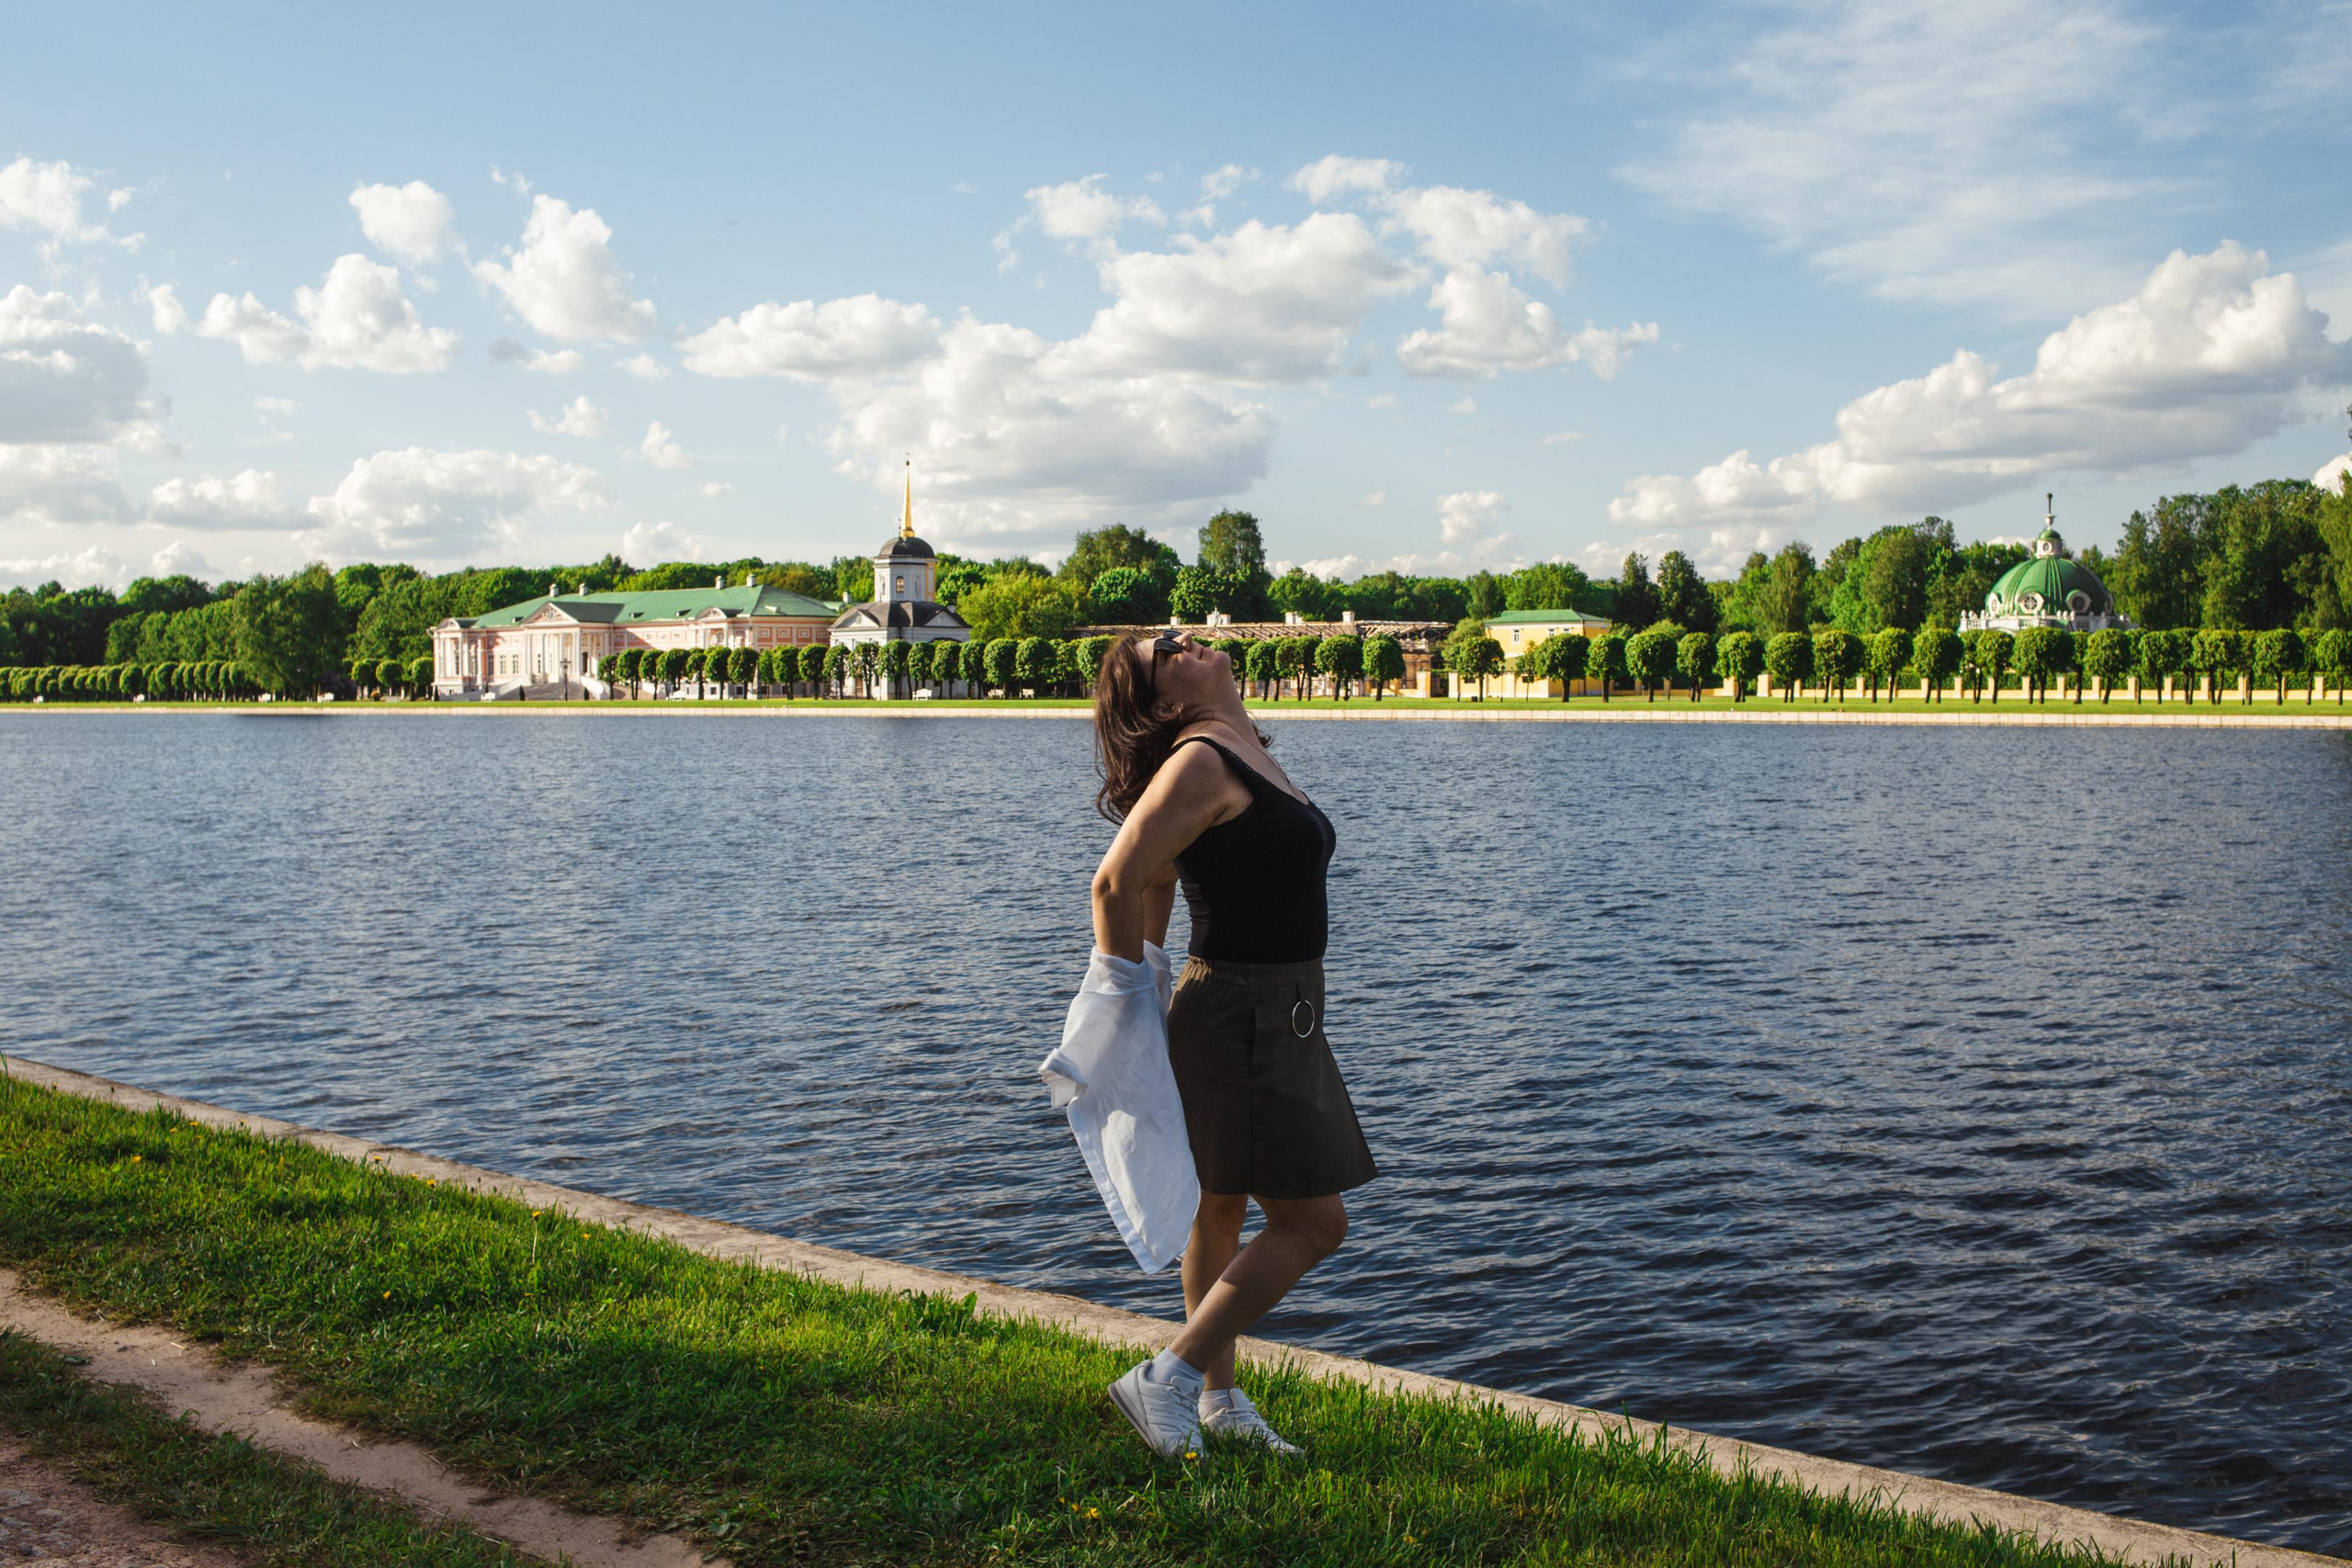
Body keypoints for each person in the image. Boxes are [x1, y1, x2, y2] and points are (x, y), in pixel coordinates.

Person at [1088, 630, 1378, 1457]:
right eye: (1166, 649)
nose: (1187, 637)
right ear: (1167, 701)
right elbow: (1117, 878)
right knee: (1316, 1224)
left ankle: (1219, 1401)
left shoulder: (1237, 749)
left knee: (1219, 1209)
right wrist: (1129, 996)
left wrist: (1155, 974)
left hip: (1269, 1010)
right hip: (1241, 1011)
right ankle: (1168, 1377)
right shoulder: (1201, 760)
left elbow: (1161, 875)